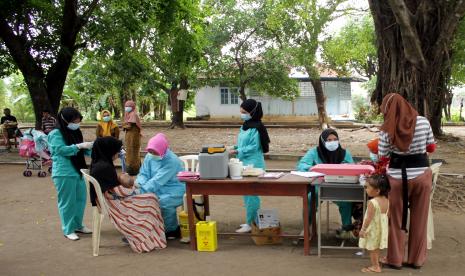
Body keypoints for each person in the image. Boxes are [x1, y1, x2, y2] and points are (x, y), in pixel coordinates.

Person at [378, 93, 436, 269]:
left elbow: (383, 155)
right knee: (420, 218)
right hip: (421, 178)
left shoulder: (387, 128)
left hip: (396, 179)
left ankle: (394, 259)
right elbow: (431, 147)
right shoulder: (423, 121)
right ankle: (416, 260)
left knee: (395, 219)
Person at [90, 137, 167, 252]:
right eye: (117, 150)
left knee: (150, 197)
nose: (118, 153)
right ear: (109, 150)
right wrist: (132, 187)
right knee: (152, 199)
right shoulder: (104, 167)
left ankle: (150, 234)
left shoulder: (99, 163)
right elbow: (115, 193)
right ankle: (146, 236)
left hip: (109, 200)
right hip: (115, 204)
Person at [296, 128, 356, 237]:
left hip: (339, 187)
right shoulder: (314, 152)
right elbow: (301, 166)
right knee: (310, 198)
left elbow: (352, 167)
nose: (332, 142)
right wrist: (315, 168)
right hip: (319, 186)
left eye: (335, 139)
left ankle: (346, 229)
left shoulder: (344, 153)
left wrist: (344, 167)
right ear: (323, 141)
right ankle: (306, 227)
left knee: (347, 201)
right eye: (329, 140)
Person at [47, 107, 94, 241]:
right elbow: (60, 150)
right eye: (74, 121)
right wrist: (79, 146)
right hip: (64, 172)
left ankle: (78, 225)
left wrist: (96, 147)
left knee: (80, 200)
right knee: (67, 202)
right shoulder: (55, 133)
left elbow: (83, 150)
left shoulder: (76, 132)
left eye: (78, 121)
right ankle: (68, 229)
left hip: (78, 170)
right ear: (65, 120)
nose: (77, 124)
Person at [229, 99, 270, 233]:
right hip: (243, 162)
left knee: (252, 194)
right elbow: (242, 144)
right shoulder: (245, 125)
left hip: (254, 164)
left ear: (253, 112)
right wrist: (234, 147)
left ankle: (251, 223)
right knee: (246, 194)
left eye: (244, 112)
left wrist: (238, 151)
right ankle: (250, 220)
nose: (242, 114)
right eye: (241, 112)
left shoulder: (257, 128)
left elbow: (254, 147)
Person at [136, 133, 185, 239]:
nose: (151, 153)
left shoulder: (171, 161)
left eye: (154, 151)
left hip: (175, 188)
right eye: (150, 151)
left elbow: (158, 180)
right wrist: (139, 183)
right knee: (146, 200)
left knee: (163, 202)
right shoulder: (150, 156)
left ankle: (171, 230)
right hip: (157, 187)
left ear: (162, 150)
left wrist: (142, 190)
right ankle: (150, 228)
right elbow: (144, 174)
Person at [359, 174, 390, 273]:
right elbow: (387, 216)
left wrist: (363, 229)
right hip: (381, 229)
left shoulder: (372, 202)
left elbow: (368, 218)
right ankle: (376, 263)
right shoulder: (387, 200)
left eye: (367, 187)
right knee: (376, 248)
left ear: (377, 191)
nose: (365, 189)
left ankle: (375, 267)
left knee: (372, 249)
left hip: (373, 229)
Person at [123, 101, 141, 175]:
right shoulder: (128, 114)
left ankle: (133, 170)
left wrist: (123, 125)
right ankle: (133, 169)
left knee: (133, 153)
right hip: (130, 137)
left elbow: (129, 126)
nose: (127, 107)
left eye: (129, 106)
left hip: (133, 137)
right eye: (126, 106)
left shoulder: (133, 114)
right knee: (131, 152)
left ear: (133, 107)